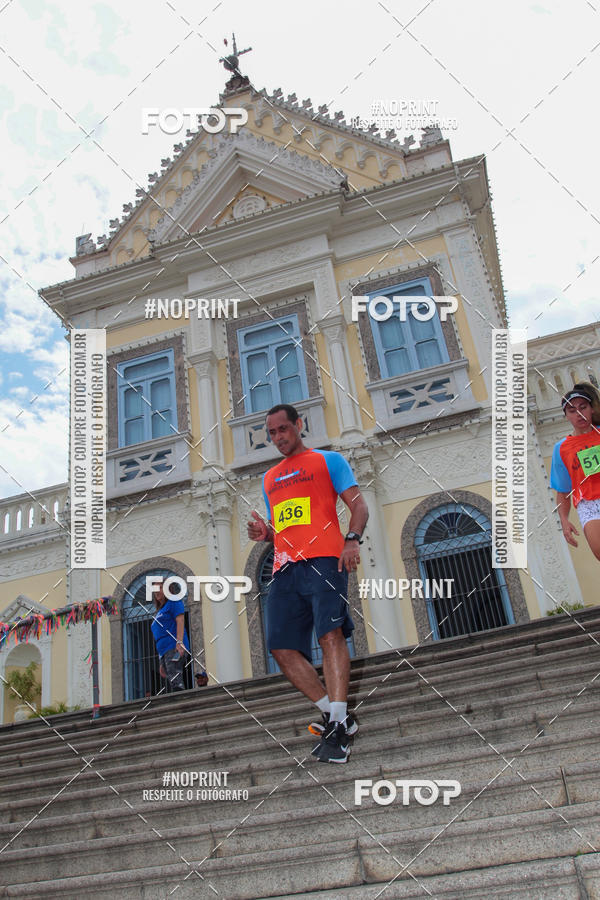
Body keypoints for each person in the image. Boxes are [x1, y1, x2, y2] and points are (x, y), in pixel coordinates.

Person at [247, 403, 369, 763]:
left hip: (325, 560)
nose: (278, 437)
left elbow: (359, 507)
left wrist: (351, 538)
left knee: (329, 635)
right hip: (284, 568)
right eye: (272, 433)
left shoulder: (329, 461)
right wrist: (265, 533)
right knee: (281, 649)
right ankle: (337, 716)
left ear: (299, 425)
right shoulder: (270, 478)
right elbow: (283, 529)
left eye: (283, 429)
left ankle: (336, 724)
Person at [550, 382, 600, 561]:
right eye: (572, 410)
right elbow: (563, 490)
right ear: (566, 416)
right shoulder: (561, 448)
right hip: (589, 505)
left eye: (583, 407)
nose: (579, 413)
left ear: (592, 409)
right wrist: (564, 520)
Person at [150, 577, 191, 692]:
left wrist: (179, 642)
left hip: (173, 646)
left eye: (160, 587)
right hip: (164, 651)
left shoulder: (174, 602)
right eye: (155, 589)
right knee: (173, 679)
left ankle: (181, 703)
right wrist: (161, 660)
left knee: (175, 678)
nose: (157, 591)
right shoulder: (160, 611)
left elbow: (180, 621)